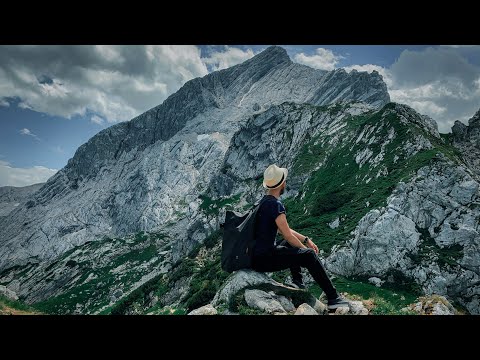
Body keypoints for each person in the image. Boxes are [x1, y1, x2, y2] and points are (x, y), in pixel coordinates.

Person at [252, 164, 349, 310]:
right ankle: (333, 298)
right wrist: (306, 252)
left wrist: (306, 239)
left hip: (258, 257)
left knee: (290, 244)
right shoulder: (275, 205)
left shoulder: (263, 202)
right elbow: (287, 235)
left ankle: (298, 282)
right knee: (309, 255)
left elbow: (285, 231)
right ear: (282, 184)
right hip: (266, 259)